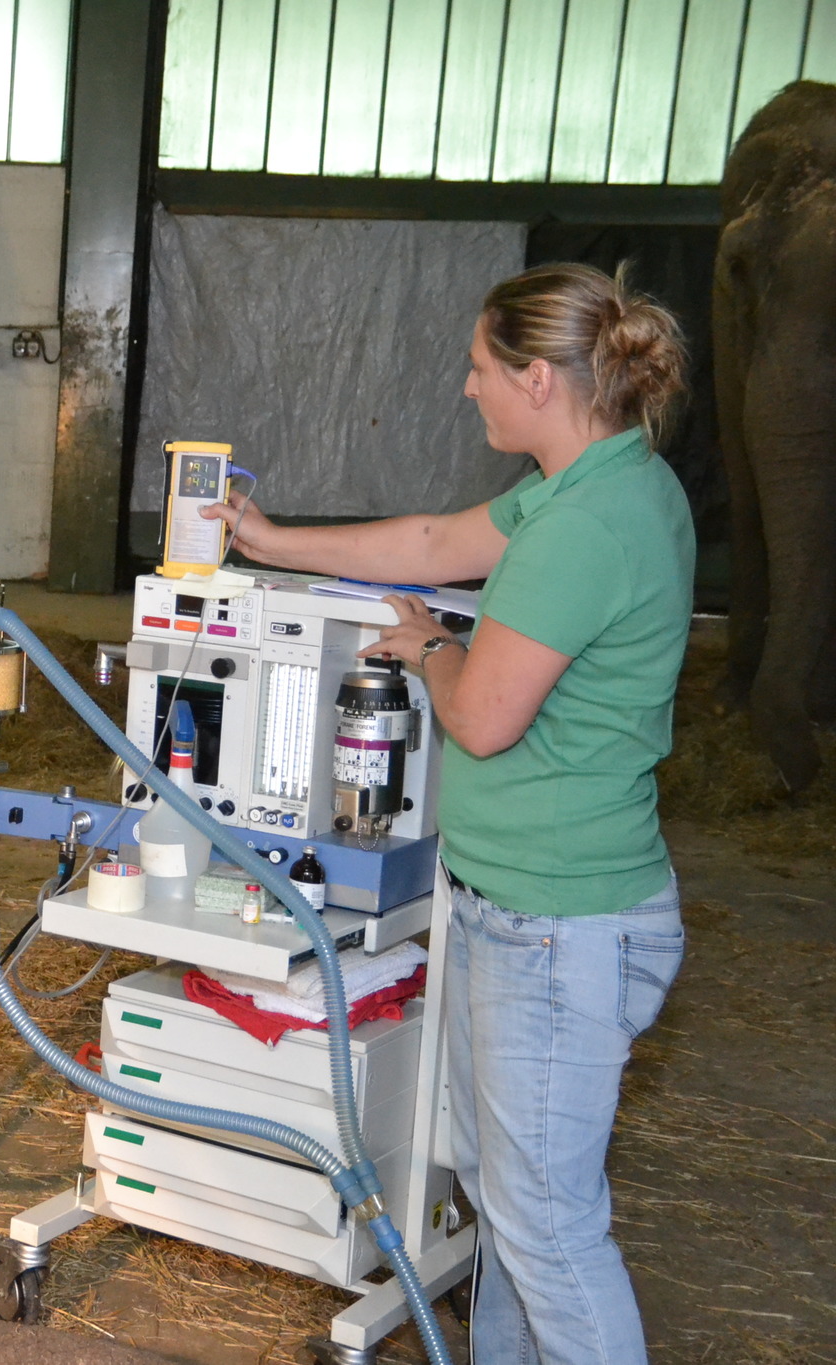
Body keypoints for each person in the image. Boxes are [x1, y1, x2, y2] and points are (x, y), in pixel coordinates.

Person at [203, 262, 692, 1364]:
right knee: (501, 1194)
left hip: (558, 924)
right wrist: (273, 543)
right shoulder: (599, 479)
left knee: (549, 1228)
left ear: (533, 378)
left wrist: (429, 646)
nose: (465, 389)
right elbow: (431, 545)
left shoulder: (585, 527)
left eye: (477, 370)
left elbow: (476, 717)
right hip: (509, 904)